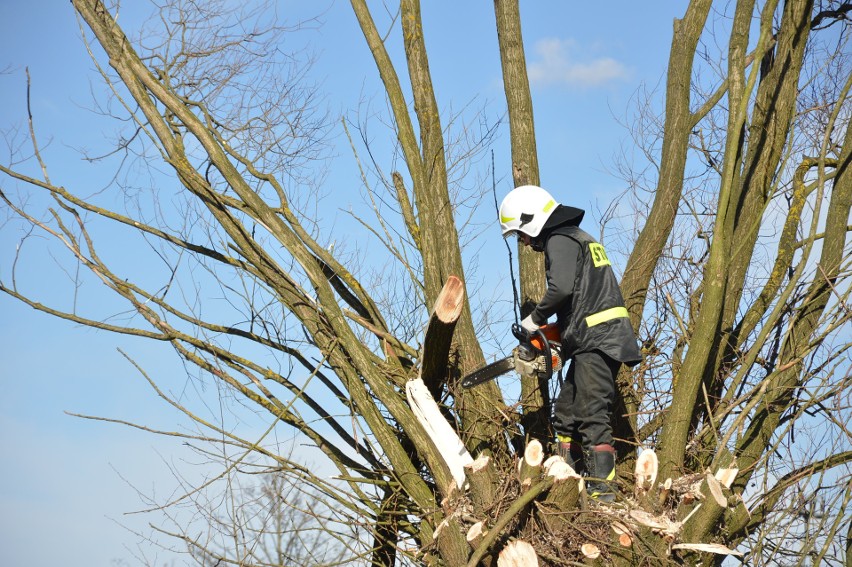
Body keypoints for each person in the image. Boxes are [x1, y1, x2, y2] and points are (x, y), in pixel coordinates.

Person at [499, 184, 642, 501]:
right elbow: (581, 299)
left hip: (598, 339)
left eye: (520, 233)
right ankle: (567, 483)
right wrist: (557, 338)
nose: (522, 242)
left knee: (592, 414)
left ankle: (602, 493)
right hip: (593, 337)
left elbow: (561, 289)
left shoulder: (560, 239)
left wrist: (534, 320)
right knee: (565, 412)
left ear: (531, 220)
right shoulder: (579, 239)